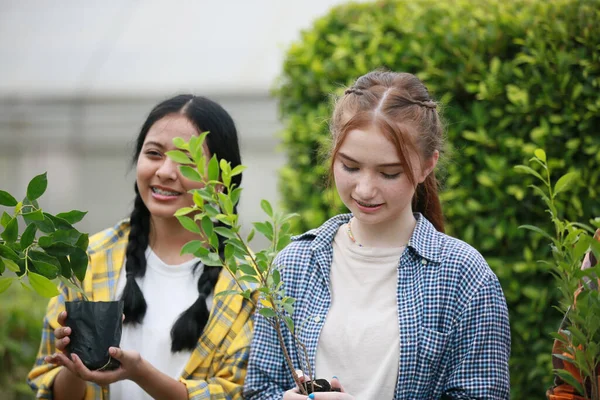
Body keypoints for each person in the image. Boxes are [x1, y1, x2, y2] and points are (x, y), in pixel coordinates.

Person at [243, 70, 511, 399]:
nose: (366, 189)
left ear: (428, 165)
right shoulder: (294, 265)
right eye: (350, 167)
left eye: (389, 172)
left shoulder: (463, 276)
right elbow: (258, 390)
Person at [27, 95, 255, 400]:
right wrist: (73, 365)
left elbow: (238, 393)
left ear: (221, 181)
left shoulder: (249, 282)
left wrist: (140, 374)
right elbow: (50, 390)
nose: (165, 171)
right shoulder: (90, 257)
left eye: (187, 161)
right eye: (154, 154)